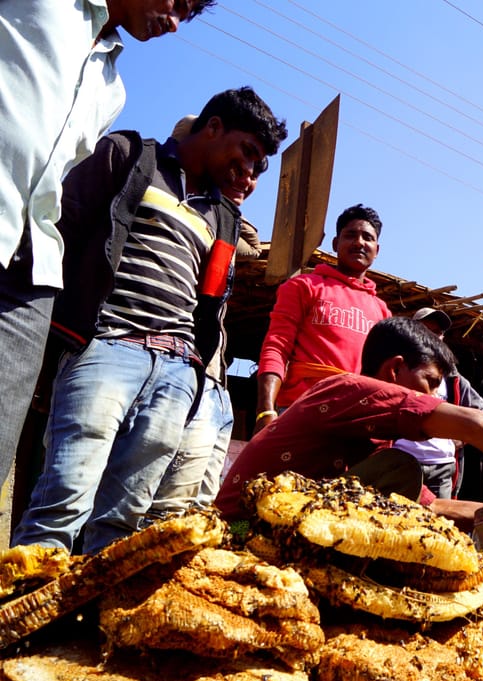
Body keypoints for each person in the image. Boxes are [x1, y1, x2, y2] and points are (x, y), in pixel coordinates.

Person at [12, 87, 287, 554]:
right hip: (106, 347)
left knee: (123, 525)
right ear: (214, 126)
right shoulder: (130, 157)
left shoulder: (221, 217)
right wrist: (47, 341)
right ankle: (20, 623)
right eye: (249, 151)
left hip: (178, 372)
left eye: (261, 166)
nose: (252, 171)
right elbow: (61, 230)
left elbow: (210, 303)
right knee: (62, 505)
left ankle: (86, 624)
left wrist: (197, 373)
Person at [0, 0, 213, 484]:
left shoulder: (110, 87)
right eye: (178, 3)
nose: (175, 22)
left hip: (31, 276)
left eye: (189, 16)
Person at [215, 316, 483, 525]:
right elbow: (478, 426)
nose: (435, 397)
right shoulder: (348, 389)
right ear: (395, 368)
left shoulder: (378, 443)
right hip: (241, 531)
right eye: (431, 382)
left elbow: (438, 507)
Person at [146, 116, 267, 518]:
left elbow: (249, 247)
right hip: (176, 365)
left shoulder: (223, 224)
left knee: (199, 502)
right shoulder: (181, 210)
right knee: (158, 498)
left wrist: (228, 202)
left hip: (214, 375)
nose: (244, 178)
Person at [254, 204, 392, 433]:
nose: (359, 242)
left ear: (376, 250)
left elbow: (384, 378)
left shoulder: (382, 311)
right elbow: (276, 347)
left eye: (367, 237)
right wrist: (265, 411)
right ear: (336, 244)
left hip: (355, 420)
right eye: (351, 235)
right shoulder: (303, 287)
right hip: (301, 409)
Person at [394, 307, 483, 499]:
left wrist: (459, 438)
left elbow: (481, 411)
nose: (433, 337)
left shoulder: (453, 378)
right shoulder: (396, 369)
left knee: (438, 524)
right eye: (426, 330)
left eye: (438, 333)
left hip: (441, 468)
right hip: (401, 462)